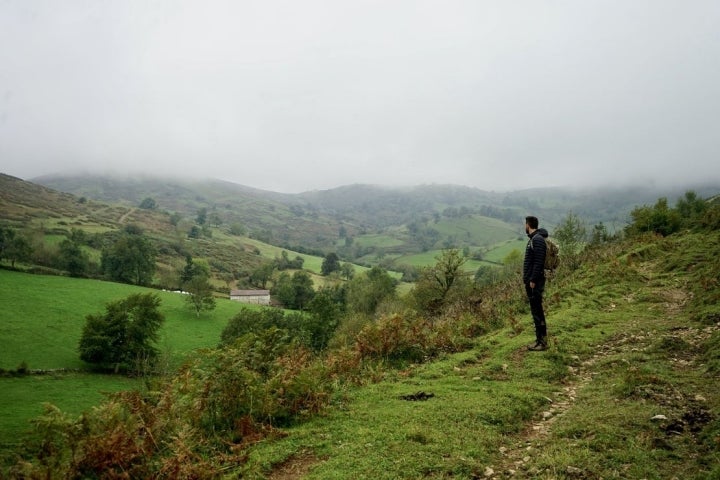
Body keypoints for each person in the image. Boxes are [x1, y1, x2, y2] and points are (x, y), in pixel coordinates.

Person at [523, 216, 549, 351]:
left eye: (525, 224)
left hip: (535, 283)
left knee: (537, 311)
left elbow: (539, 262)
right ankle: (539, 340)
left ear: (529, 225)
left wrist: (532, 280)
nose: (524, 227)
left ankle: (542, 342)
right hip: (533, 282)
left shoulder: (537, 240)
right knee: (536, 311)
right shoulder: (535, 239)